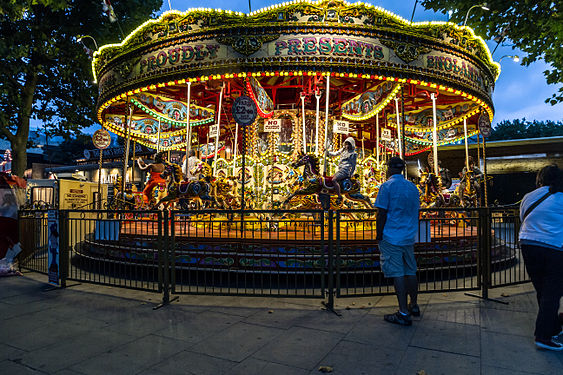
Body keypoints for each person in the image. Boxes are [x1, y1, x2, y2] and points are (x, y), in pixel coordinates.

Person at [518, 165, 563, 351]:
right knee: (552, 292)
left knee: (543, 290)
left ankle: (553, 327)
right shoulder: (560, 196)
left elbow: (523, 217)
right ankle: (543, 336)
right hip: (553, 246)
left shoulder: (529, 196)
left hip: (528, 243)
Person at [375, 157, 421, 326]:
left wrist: (379, 234)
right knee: (410, 270)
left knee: (397, 274)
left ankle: (402, 312)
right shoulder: (413, 187)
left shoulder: (386, 186)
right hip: (408, 235)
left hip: (392, 236)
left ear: (389, 169)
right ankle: (414, 305)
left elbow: (381, 213)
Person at [327, 137, 358, 203]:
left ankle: (339, 196)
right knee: (330, 178)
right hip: (340, 169)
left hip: (345, 170)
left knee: (334, 179)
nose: (347, 146)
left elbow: (353, 165)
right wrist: (328, 152)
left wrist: (351, 174)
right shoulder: (343, 150)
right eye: (346, 144)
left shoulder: (353, 154)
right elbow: (335, 154)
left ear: (351, 145)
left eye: (348, 144)